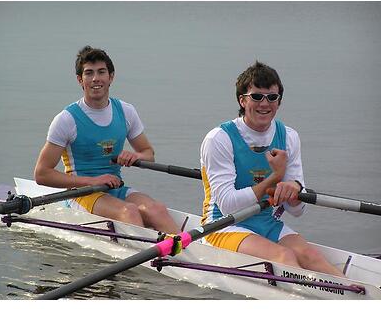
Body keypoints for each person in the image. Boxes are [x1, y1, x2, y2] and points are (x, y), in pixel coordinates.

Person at [200, 61, 344, 276]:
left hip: (267, 222)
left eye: (272, 97)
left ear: (279, 101)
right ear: (242, 100)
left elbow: (297, 211)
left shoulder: (289, 137)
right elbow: (229, 205)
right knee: (284, 257)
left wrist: (293, 192)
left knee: (312, 258)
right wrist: (276, 177)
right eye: (256, 96)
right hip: (222, 226)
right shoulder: (219, 139)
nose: (264, 104)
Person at [34, 45, 179, 234]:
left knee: (157, 209)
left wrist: (135, 156)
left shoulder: (126, 111)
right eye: (89, 73)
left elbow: (148, 154)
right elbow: (42, 173)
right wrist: (90, 181)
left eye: (101, 72)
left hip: (114, 187)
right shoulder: (66, 120)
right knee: (130, 212)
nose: (96, 78)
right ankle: (152, 258)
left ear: (111, 77)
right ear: (80, 80)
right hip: (81, 194)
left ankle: (185, 252)